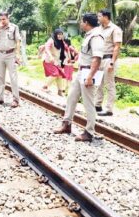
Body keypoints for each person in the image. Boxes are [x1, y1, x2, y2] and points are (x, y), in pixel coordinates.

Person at [54, 13, 104, 142]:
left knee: (88, 103)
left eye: (81, 22)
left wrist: (90, 77)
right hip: (82, 71)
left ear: (86, 23)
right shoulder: (89, 35)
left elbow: (97, 59)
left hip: (88, 72)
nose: (80, 24)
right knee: (71, 97)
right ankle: (67, 124)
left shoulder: (96, 36)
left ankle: (89, 132)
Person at [95, 9, 123, 116]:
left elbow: (117, 47)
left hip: (108, 59)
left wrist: (112, 62)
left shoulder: (115, 29)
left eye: (99, 16)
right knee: (98, 83)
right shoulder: (98, 29)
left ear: (106, 17)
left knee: (109, 84)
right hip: (99, 59)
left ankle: (109, 109)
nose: (98, 18)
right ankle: (97, 105)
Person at [0, 12, 21, 108]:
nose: (2, 21)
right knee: (0, 77)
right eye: (0, 19)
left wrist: (17, 54)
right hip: (0, 54)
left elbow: (18, 42)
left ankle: (15, 100)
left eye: (4, 19)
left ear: (8, 19)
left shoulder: (14, 27)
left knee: (13, 78)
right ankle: (0, 98)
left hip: (11, 55)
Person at [41, 29, 68, 96]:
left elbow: (66, 47)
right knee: (55, 74)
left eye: (61, 34)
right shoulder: (51, 40)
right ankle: (44, 87)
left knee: (59, 75)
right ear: (55, 34)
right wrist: (50, 56)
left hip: (56, 61)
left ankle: (60, 91)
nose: (60, 36)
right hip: (49, 60)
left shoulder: (61, 42)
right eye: (58, 34)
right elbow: (47, 48)